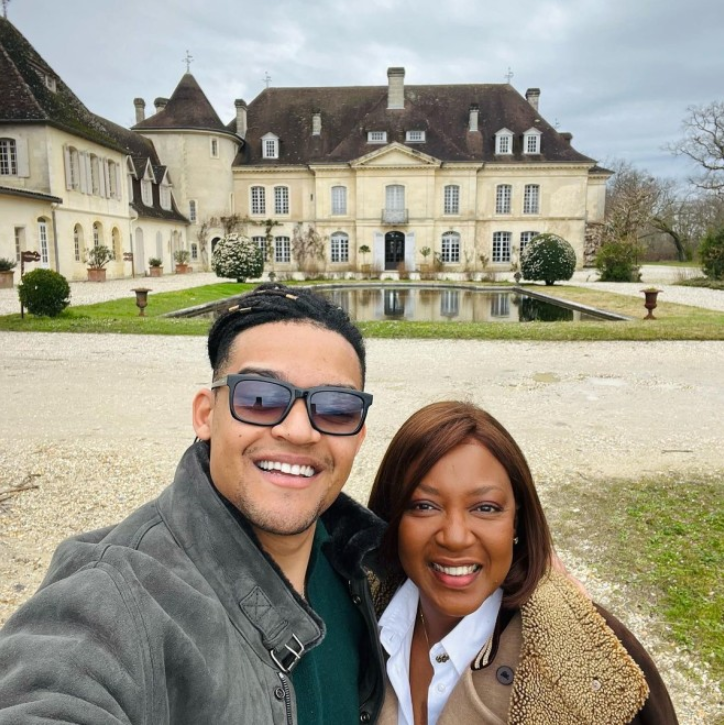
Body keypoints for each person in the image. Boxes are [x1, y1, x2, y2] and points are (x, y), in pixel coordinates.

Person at [0, 283, 386, 724]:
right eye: (260, 398)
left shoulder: (353, 559)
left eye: (335, 408)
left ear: (358, 436)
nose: (299, 431)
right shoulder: (117, 596)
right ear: (206, 415)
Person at [367, 401, 678, 725]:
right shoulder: (353, 616)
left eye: (485, 508)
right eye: (424, 506)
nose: (455, 538)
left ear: (517, 521)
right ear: (391, 517)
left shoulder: (599, 659)